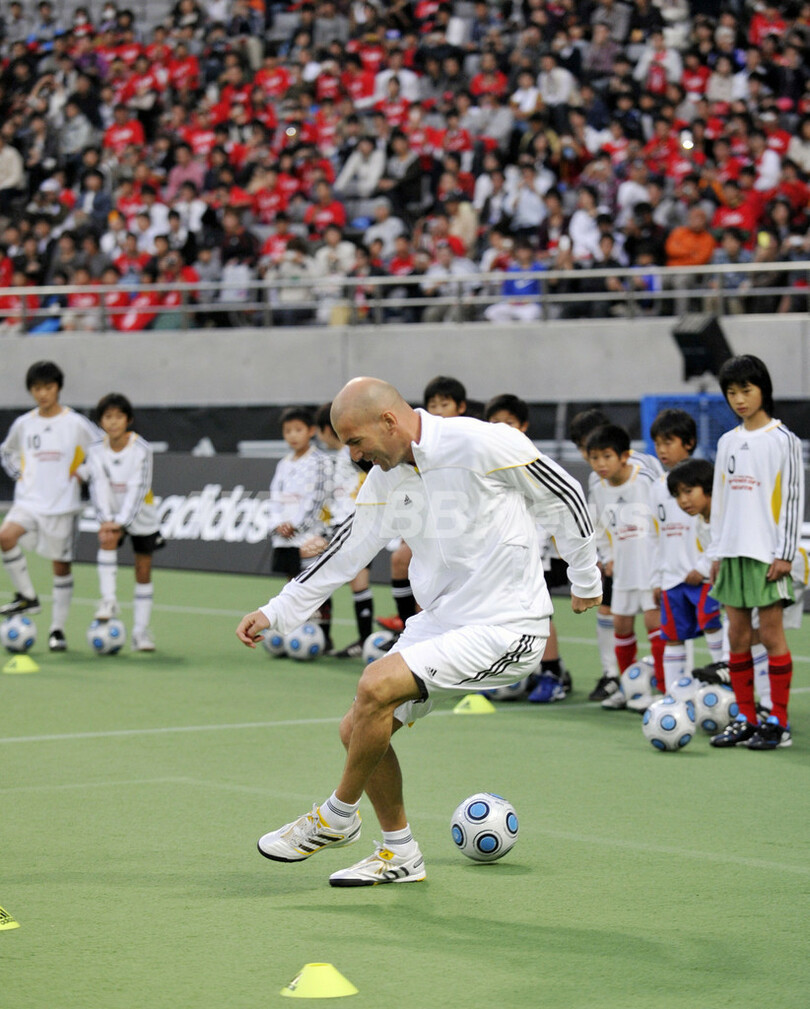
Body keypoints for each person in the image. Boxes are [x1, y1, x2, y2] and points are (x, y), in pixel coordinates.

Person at [236, 378, 601, 887]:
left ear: (389, 421)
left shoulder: (480, 441)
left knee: (374, 686)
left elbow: (566, 493)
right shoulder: (385, 478)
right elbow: (346, 549)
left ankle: (337, 816)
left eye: (356, 441)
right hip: (442, 621)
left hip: (506, 625)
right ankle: (399, 853)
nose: (355, 455)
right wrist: (276, 611)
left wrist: (585, 576)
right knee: (358, 729)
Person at [707, 356, 804, 750]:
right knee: (738, 636)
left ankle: (777, 723)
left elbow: (794, 499)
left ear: (763, 389)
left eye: (746, 390)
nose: (739, 400)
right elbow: (721, 501)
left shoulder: (785, 440)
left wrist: (784, 554)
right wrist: (715, 552)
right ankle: (746, 718)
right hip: (732, 552)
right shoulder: (727, 441)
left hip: (768, 554)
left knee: (771, 634)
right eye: (732, 393)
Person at [0, 361, 100, 651]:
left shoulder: (75, 423)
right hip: (28, 502)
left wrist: (82, 473)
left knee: (61, 566)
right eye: (37, 389)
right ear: (31, 391)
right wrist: (20, 473)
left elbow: (101, 450)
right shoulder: (24, 424)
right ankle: (27, 596)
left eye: (48, 387)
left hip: (62, 506)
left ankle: (57, 630)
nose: (42, 394)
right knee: (5, 536)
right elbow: (7, 452)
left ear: (58, 388)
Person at [568, 408, 663, 701]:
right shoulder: (597, 481)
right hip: (621, 563)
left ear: (621, 452)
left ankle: (665, 685)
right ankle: (625, 684)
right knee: (619, 621)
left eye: (600, 452)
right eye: (588, 452)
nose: (594, 459)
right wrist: (606, 556)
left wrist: (663, 563)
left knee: (654, 622)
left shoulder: (646, 471)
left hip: (651, 562)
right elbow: (599, 523)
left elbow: (664, 512)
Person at [484, 392, 572, 703]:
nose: (502, 429)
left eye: (509, 423)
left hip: (536, 553)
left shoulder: (534, 462)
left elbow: (556, 506)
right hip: (501, 554)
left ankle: (552, 674)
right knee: (502, 613)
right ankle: (523, 671)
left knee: (539, 615)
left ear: (523, 426)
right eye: (494, 424)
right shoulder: (485, 465)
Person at [377, 376, 467, 637]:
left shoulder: (467, 441)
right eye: (433, 405)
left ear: (461, 407)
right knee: (401, 559)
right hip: (428, 524)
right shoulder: (418, 445)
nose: (438, 410)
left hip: (461, 533)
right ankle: (407, 629)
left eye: (444, 404)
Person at [649, 410, 724, 692]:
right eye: (657, 444)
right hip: (671, 579)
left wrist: (704, 567)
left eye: (669, 442)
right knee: (672, 636)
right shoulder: (657, 489)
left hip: (702, 578)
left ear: (689, 443)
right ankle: (675, 696)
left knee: (713, 624)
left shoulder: (708, 482)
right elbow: (655, 536)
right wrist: (657, 578)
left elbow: (717, 530)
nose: (662, 450)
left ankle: (723, 686)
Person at [83, 393, 162, 651]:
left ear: (128, 420)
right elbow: (99, 486)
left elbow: (138, 488)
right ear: (101, 421)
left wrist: (121, 521)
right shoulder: (95, 450)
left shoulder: (142, 449)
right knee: (106, 538)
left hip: (142, 515)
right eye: (108, 417)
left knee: (143, 570)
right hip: (112, 513)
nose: (113, 422)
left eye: (119, 417)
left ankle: (141, 632)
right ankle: (108, 601)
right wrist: (107, 521)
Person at [312, 403, 374, 659]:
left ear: (329, 430)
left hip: (354, 522)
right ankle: (325, 638)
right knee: (326, 576)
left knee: (356, 579)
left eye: (319, 431)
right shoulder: (335, 458)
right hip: (338, 523)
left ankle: (364, 640)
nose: (319, 437)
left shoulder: (352, 454)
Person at [268, 407, 332, 647]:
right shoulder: (283, 464)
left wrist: (297, 526)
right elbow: (274, 496)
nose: (293, 435)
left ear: (311, 431)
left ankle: (323, 637)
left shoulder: (321, 461)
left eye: (298, 430)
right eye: (287, 431)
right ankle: (295, 632)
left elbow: (318, 498)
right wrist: (277, 525)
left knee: (315, 584)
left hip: (310, 535)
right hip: (285, 536)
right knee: (292, 583)